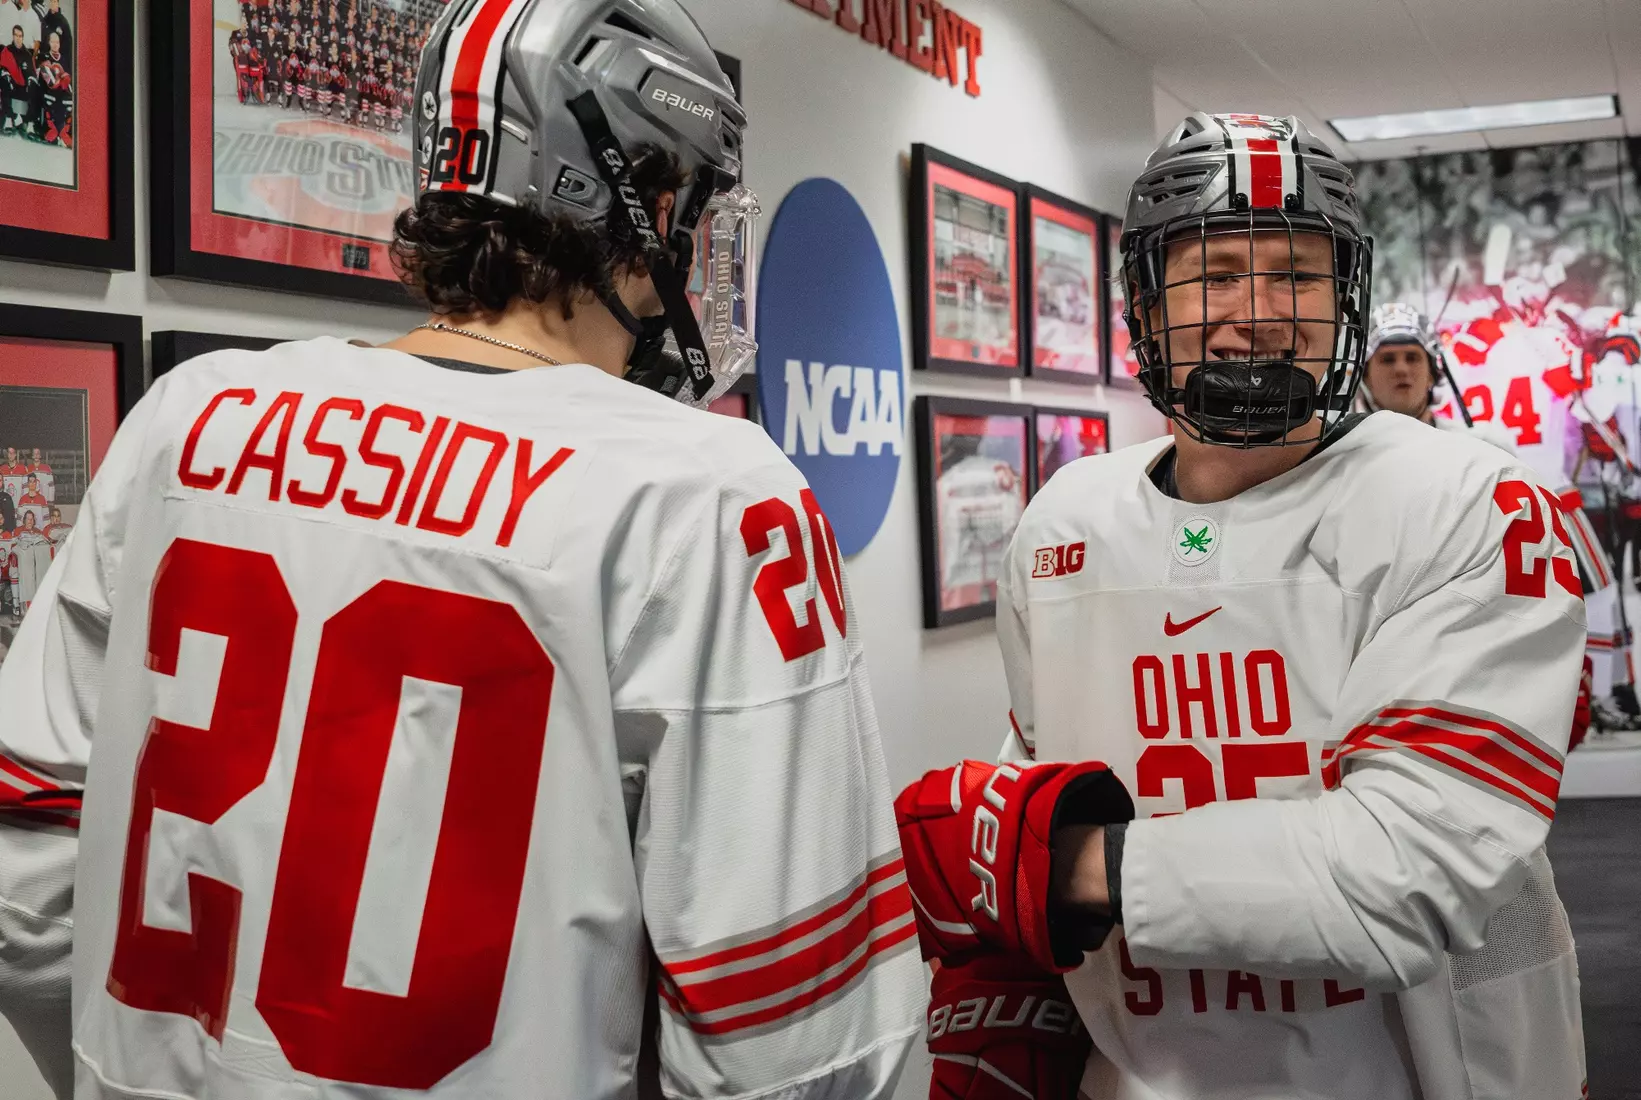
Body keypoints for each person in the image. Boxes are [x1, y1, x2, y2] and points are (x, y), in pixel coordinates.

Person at [0, 2, 921, 1098]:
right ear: (649, 207)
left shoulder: (185, 417)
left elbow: (24, 871)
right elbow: (797, 1041)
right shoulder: (710, 488)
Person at [895, 114, 1586, 1100]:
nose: (1257, 313)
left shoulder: (1468, 500)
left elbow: (1410, 872)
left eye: (1297, 275)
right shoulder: (1064, 522)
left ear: (1346, 299)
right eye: (1216, 276)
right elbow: (1038, 784)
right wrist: (1011, 980)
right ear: (1144, 301)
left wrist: (1061, 867)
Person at [0, 22, 33, 136]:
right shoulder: (7, 50)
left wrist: (30, 83)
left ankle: (29, 123)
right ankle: (10, 118)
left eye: (20, 36)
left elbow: (32, 73)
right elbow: (2, 67)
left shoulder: (27, 54)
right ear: (13, 36)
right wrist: (7, 76)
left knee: (35, 87)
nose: (18, 38)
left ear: (23, 37)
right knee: (4, 81)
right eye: (16, 35)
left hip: (23, 87)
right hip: (10, 84)